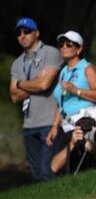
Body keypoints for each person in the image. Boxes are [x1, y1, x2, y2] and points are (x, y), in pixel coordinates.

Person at [46, 31, 96, 173]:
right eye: (61, 45)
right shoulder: (63, 71)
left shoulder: (87, 68)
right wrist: (55, 125)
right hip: (67, 124)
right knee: (61, 167)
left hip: (86, 119)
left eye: (69, 44)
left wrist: (76, 90)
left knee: (92, 162)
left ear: (79, 49)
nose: (64, 47)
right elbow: (61, 101)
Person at [9, 17, 62, 181]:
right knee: (37, 174)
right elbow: (14, 96)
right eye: (19, 33)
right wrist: (33, 83)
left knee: (48, 171)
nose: (22, 35)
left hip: (49, 123)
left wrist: (20, 83)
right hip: (29, 125)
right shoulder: (17, 63)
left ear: (36, 33)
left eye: (27, 31)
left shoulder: (51, 52)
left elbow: (45, 85)